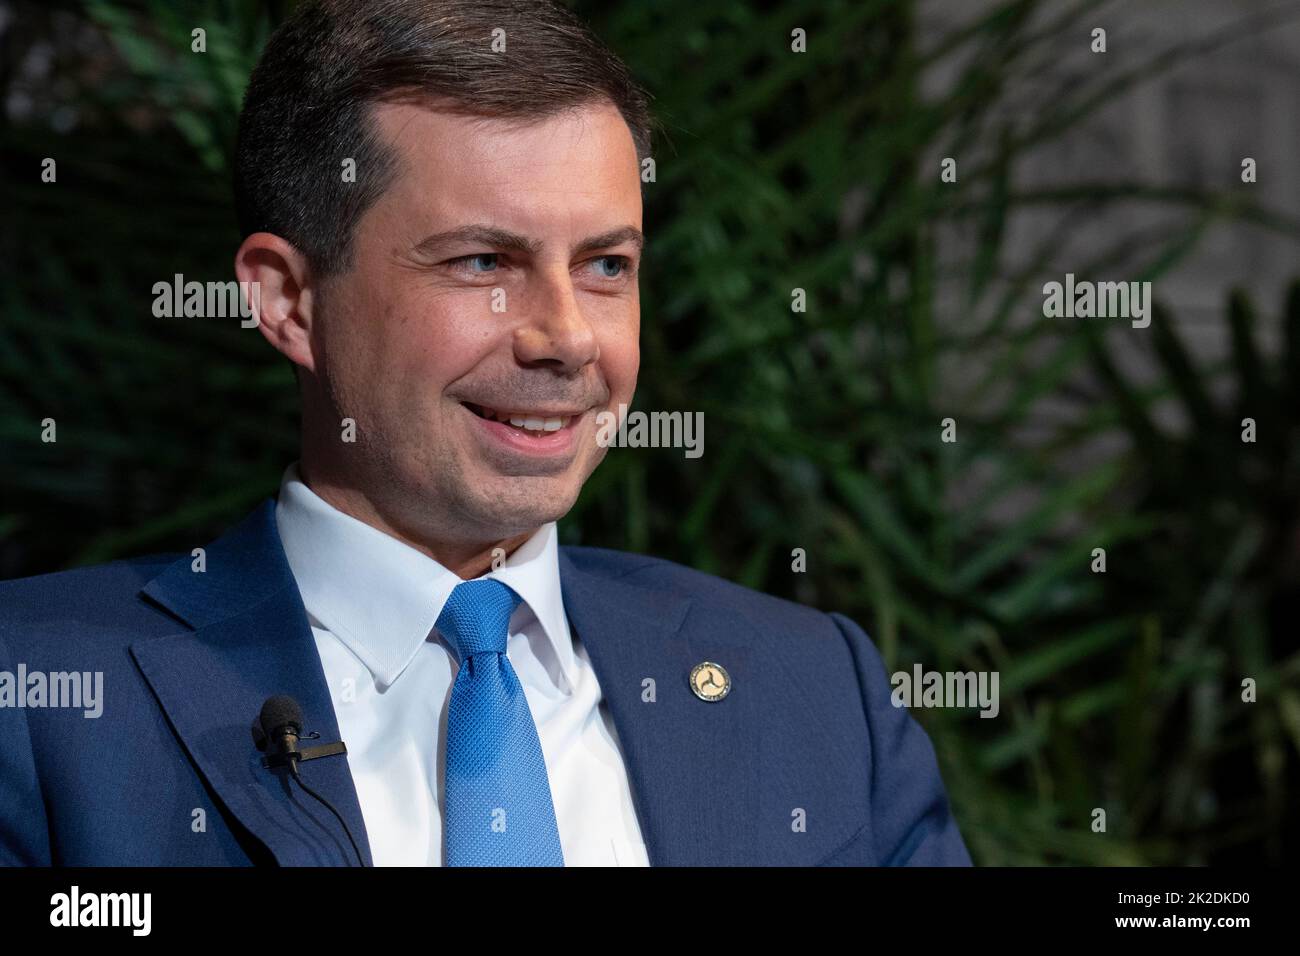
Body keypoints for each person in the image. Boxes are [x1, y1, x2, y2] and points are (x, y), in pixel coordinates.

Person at [0, 0, 970, 867]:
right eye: (481, 261)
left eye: (604, 266)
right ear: (290, 300)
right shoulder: (41, 697)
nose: (564, 337)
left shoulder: (812, 692)